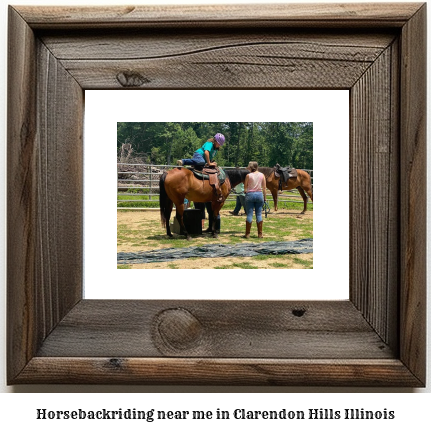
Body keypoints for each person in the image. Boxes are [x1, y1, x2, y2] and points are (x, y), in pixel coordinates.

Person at [243, 161, 266, 238]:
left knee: (249, 214)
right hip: (259, 195)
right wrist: (265, 198)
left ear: (251, 167)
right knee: (259, 214)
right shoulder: (262, 175)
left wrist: (246, 191)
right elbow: (264, 188)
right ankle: (260, 234)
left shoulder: (248, 176)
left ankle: (247, 234)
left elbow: (245, 188)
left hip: (250, 195)